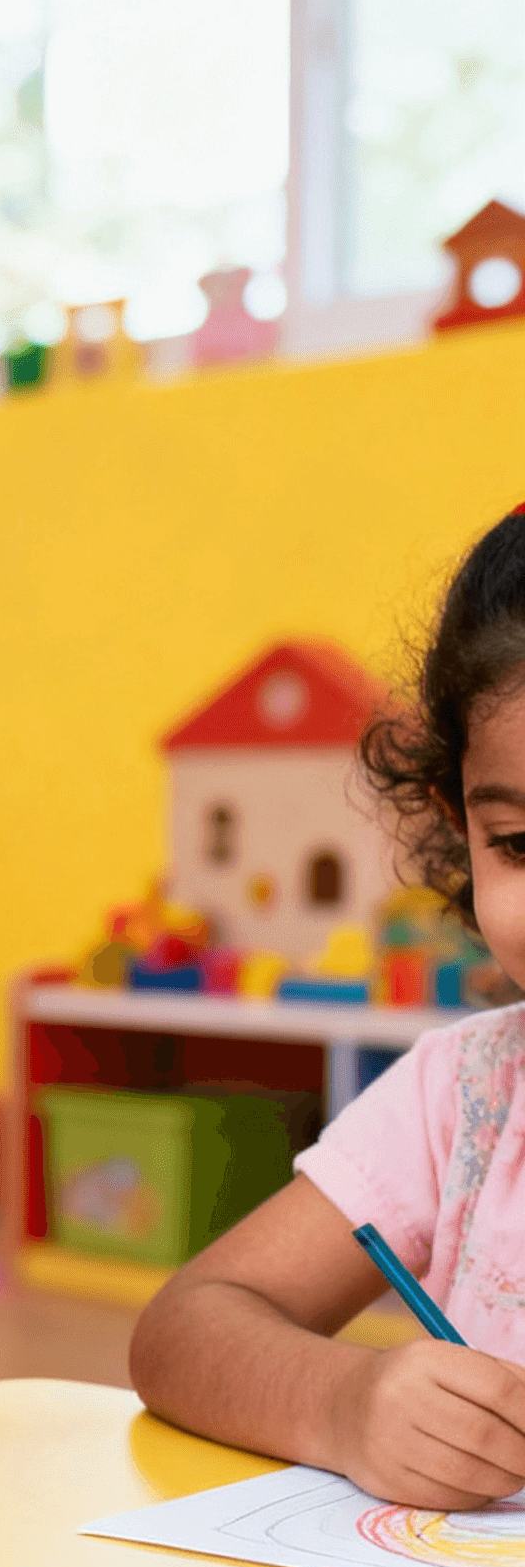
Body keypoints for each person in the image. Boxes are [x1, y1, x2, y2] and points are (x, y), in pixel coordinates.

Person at [133, 505, 525, 1507]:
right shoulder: (468, 1097)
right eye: (520, 846)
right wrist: (344, 1399)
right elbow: (184, 1326)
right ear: (456, 823)